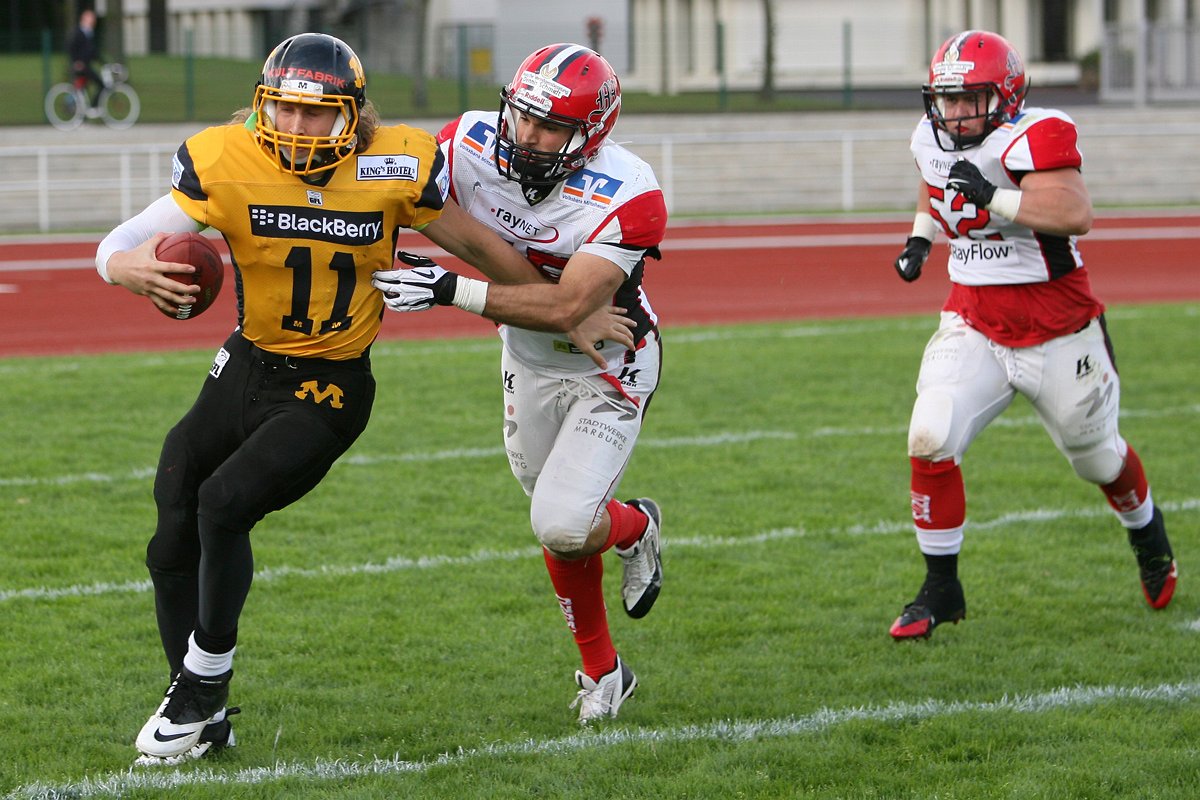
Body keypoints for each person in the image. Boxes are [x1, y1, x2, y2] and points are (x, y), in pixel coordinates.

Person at [95, 33, 630, 766]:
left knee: (225, 503)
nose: (299, 126)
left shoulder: (394, 165)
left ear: (353, 114)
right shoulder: (226, 158)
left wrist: (562, 305)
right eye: (284, 109)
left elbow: (474, 244)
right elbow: (125, 240)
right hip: (248, 361)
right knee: (173, 506)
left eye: (318, 114)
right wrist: (126, 267)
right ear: (263, 106)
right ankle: (196, 707)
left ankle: (203, 686)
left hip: (330, 383)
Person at [372, 43, 667, 724]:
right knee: (561, 528)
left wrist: (449, 288)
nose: (526, 136)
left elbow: (570, 307)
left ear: (589, 135)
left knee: (562, 522)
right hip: (528, 359)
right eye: (523, 115)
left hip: (607, 369)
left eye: (550, 126)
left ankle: (631, 536)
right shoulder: (467, 140)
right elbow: (395, 180)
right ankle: (609, 658)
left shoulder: (630, 191)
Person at [888, 30, 1176, 641]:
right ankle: (942, 589)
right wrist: (921, 236)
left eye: (971, 99)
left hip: (1058, 326)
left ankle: (1148, 533)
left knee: (1098, 459)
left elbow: (1076, 214)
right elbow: (936, 177)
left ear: (1007, 94)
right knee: (930, 433)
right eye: (947, 99)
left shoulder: (1036, 132)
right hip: (974, 318)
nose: (956, 114)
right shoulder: (932, 133)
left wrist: (996, 197)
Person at [68, 8, 103, 112]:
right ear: (84, 19)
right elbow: (71, 48)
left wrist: (104, 62)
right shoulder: (78, 33)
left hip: (86, 66)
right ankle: (92, 107)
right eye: (90, 18)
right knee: (100, 84)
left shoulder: (89, 33)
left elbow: (93, 53)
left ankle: (83, 110)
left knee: (82, 89)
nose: (92, 20)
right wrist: (76, 62)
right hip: (81, 67)